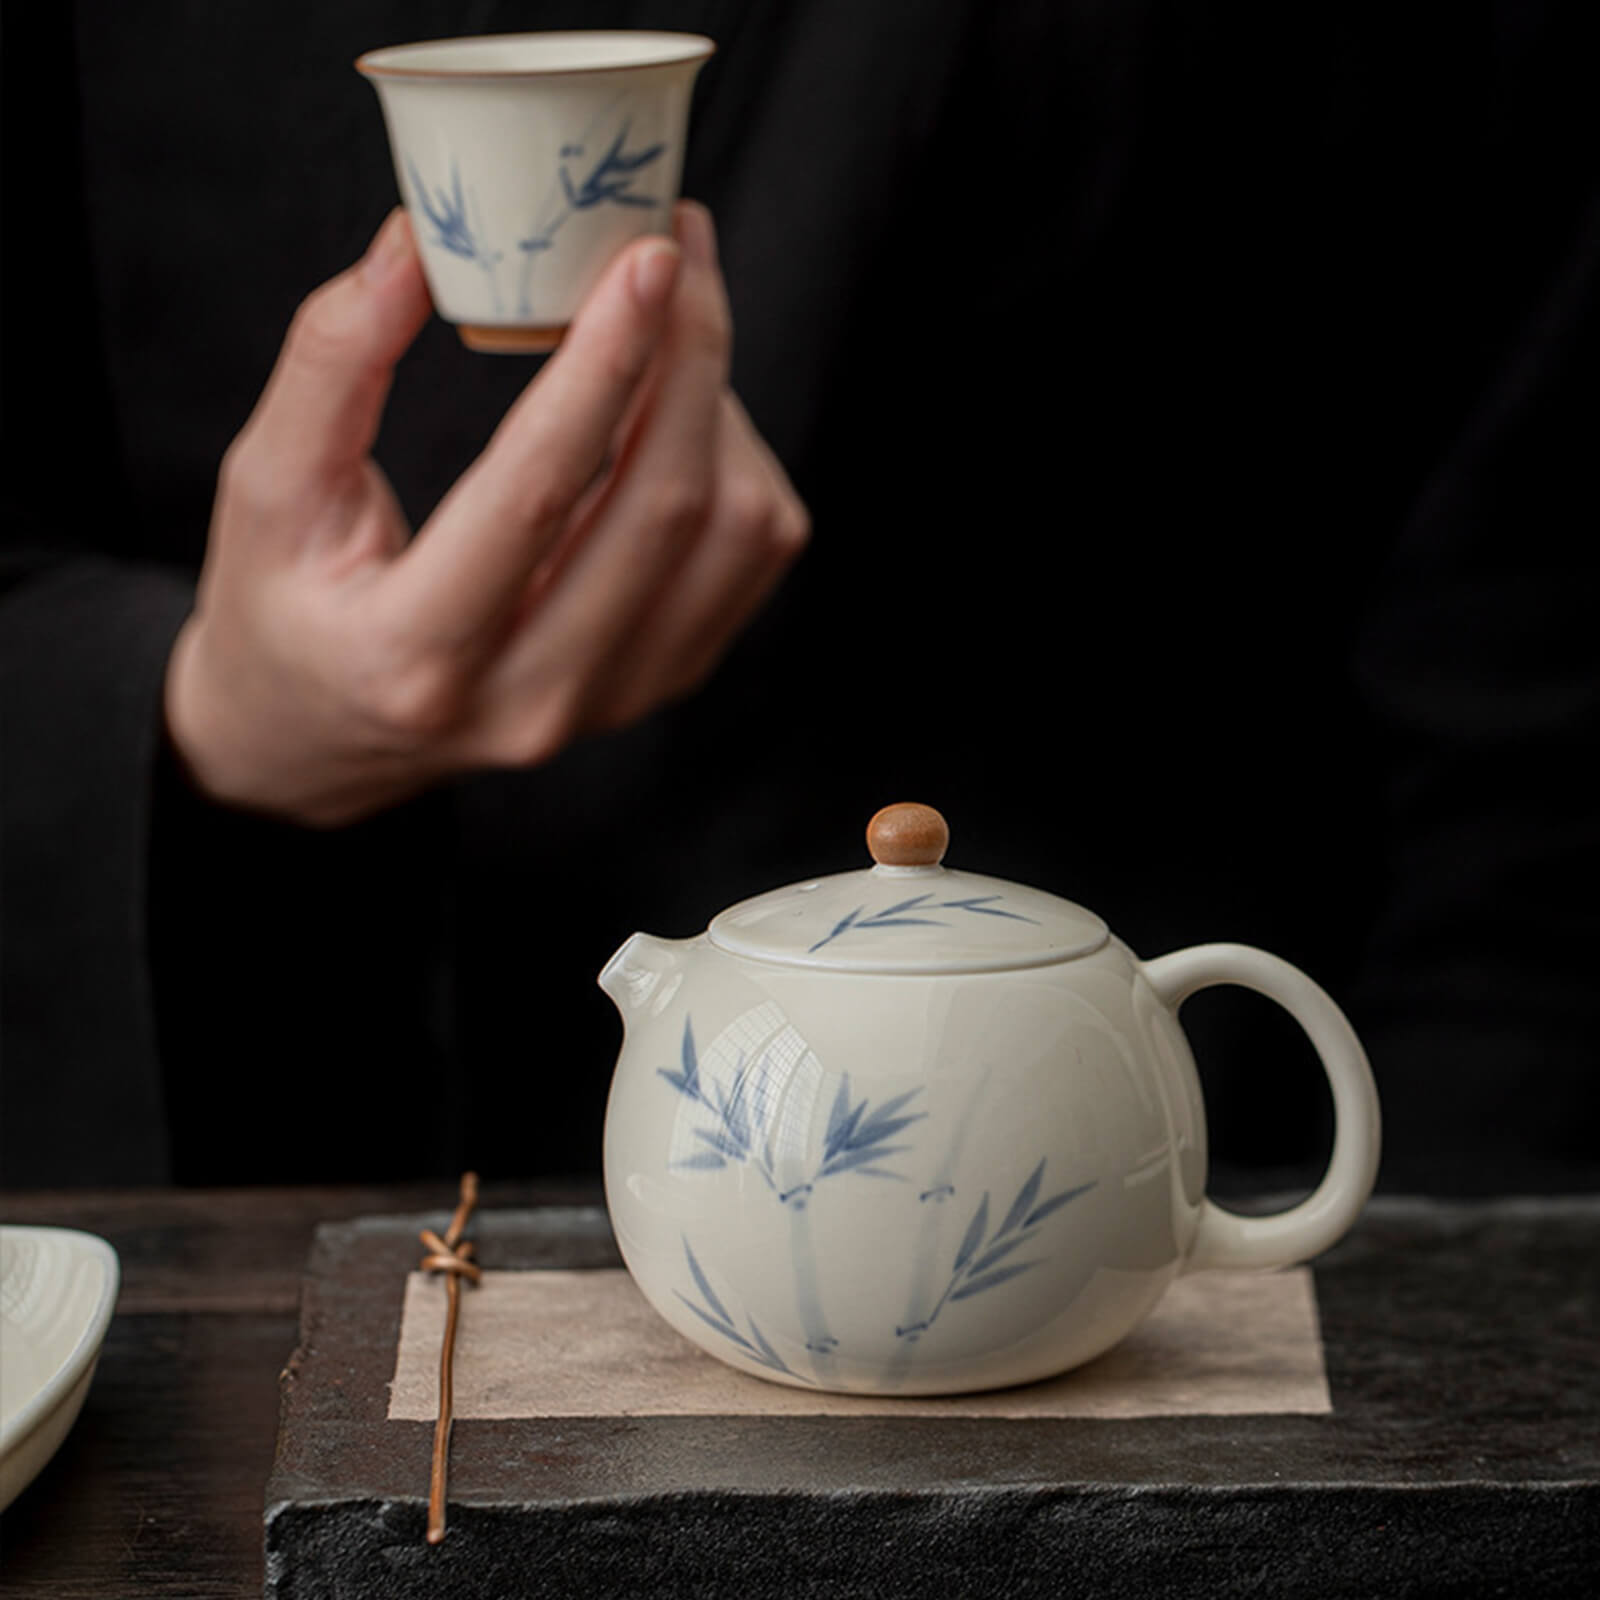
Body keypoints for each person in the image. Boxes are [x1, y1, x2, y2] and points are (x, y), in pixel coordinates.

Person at [5, 1, 1599, 1195]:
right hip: (246, 1157)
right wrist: (207, 707)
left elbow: (1533, 689)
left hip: (1165, 1171)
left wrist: (1430, 1319)